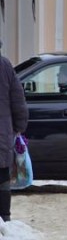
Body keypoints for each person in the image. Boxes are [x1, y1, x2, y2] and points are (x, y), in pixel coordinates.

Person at [0, 40, 29, 222]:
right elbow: (18, 102)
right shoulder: (5, 65)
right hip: (2, 133)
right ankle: (4, 217)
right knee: (2, 179)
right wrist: (18, 127)